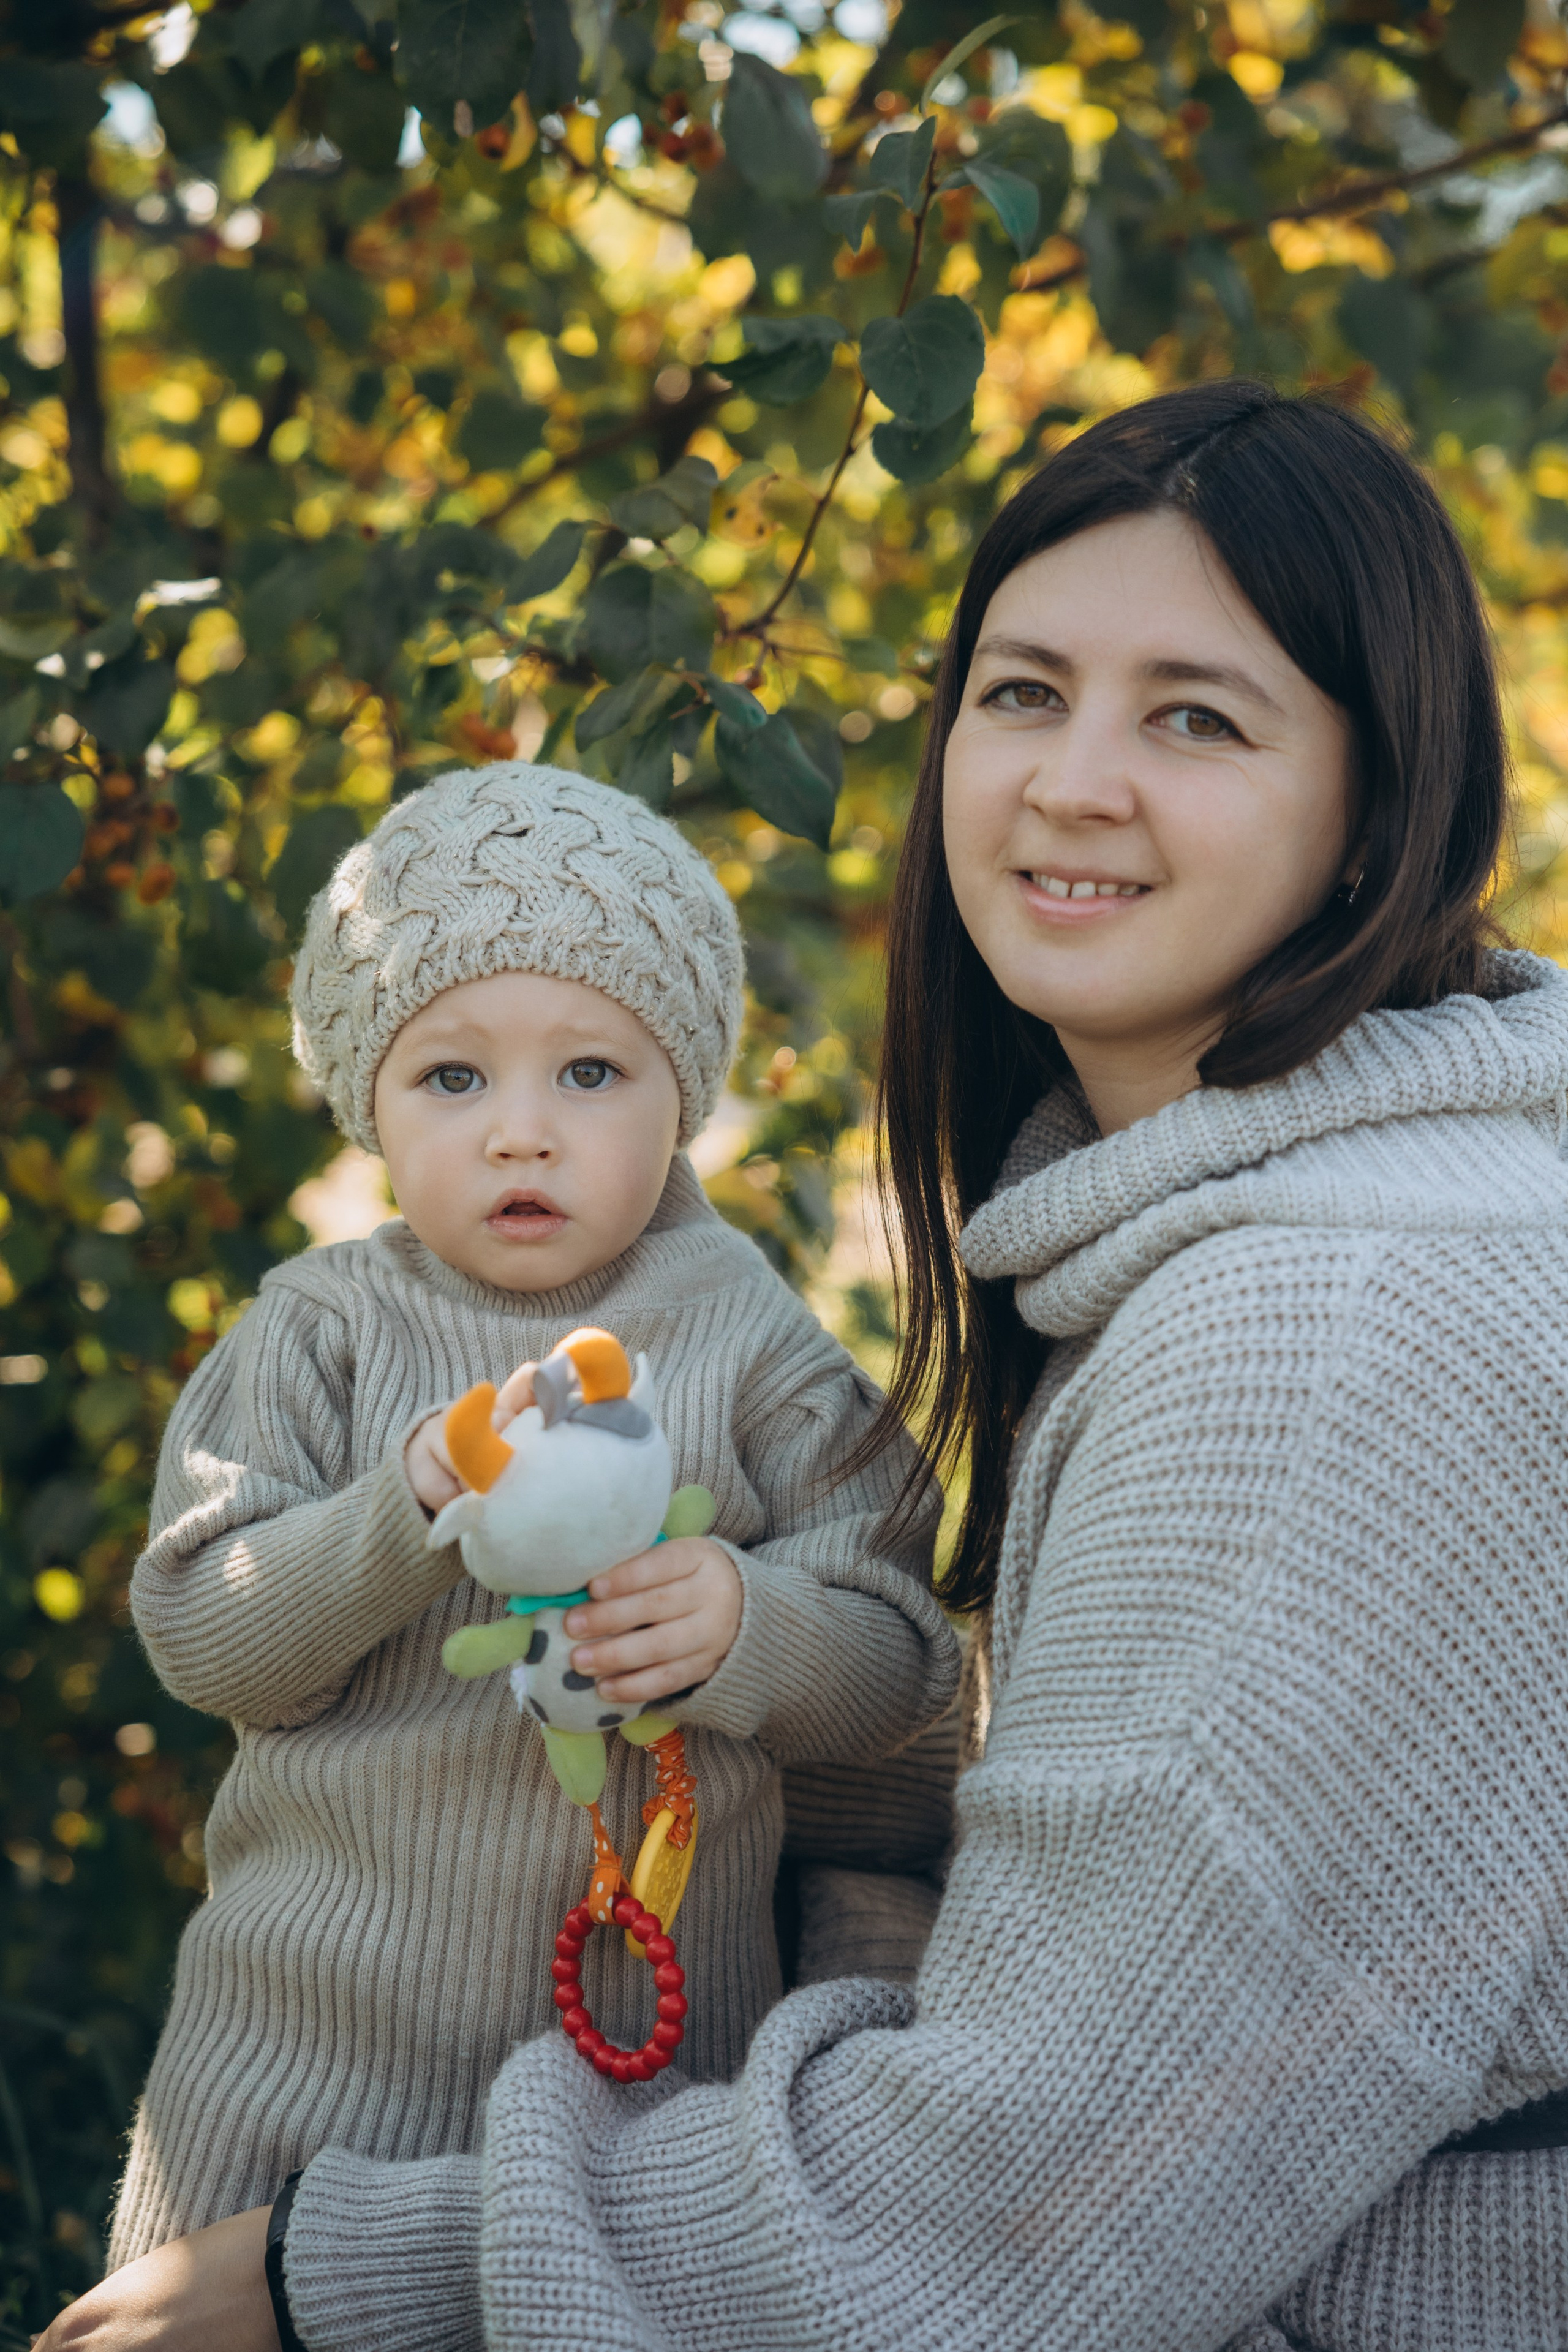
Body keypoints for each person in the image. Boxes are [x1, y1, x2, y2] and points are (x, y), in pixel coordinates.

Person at [46, 379, 1568, 2352]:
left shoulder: (1322, 1341)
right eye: (1023, 693)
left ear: (1386, 804)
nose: (1071, 782)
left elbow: (1022, 2210)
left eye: (1196, 715)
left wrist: (347, 2275)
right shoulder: (1336, 1215)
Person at [94, 768, 959, 2298]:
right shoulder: (325, 1330)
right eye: (451, 1079)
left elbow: (901, 1662)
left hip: (646, 2062)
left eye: (587, 1075)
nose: (519, 1137)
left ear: (679, 1091)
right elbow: (206, 1637)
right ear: (368, 1096)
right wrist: (400, 1510)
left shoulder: (742, 1332)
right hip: (308, 2037)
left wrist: (748, 1628)